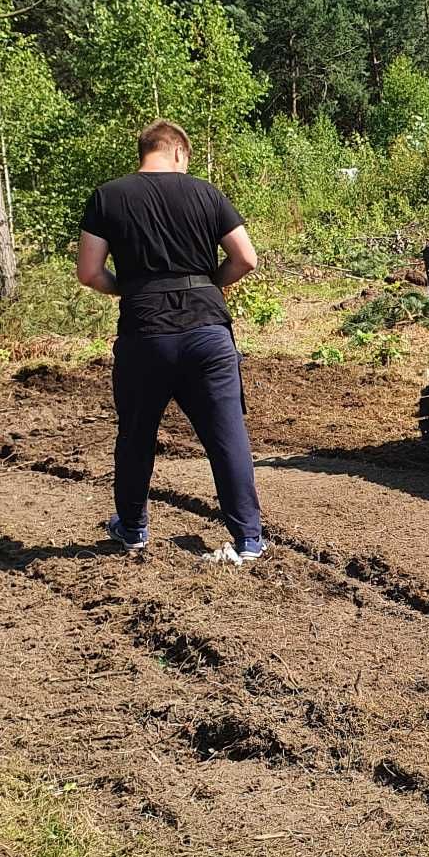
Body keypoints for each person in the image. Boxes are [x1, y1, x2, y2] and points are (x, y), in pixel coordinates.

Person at [76, 119, 267, 561]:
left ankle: (132, 529)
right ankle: (249, 539)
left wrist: (132, 289)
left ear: (146, 151)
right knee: (227, 436)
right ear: (179, 152)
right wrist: (208, 285)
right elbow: (246, 259)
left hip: (145, 334)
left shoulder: (108, 196)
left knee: (137, 434)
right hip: (208, 333)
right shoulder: (206, 192)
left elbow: (88, 272)